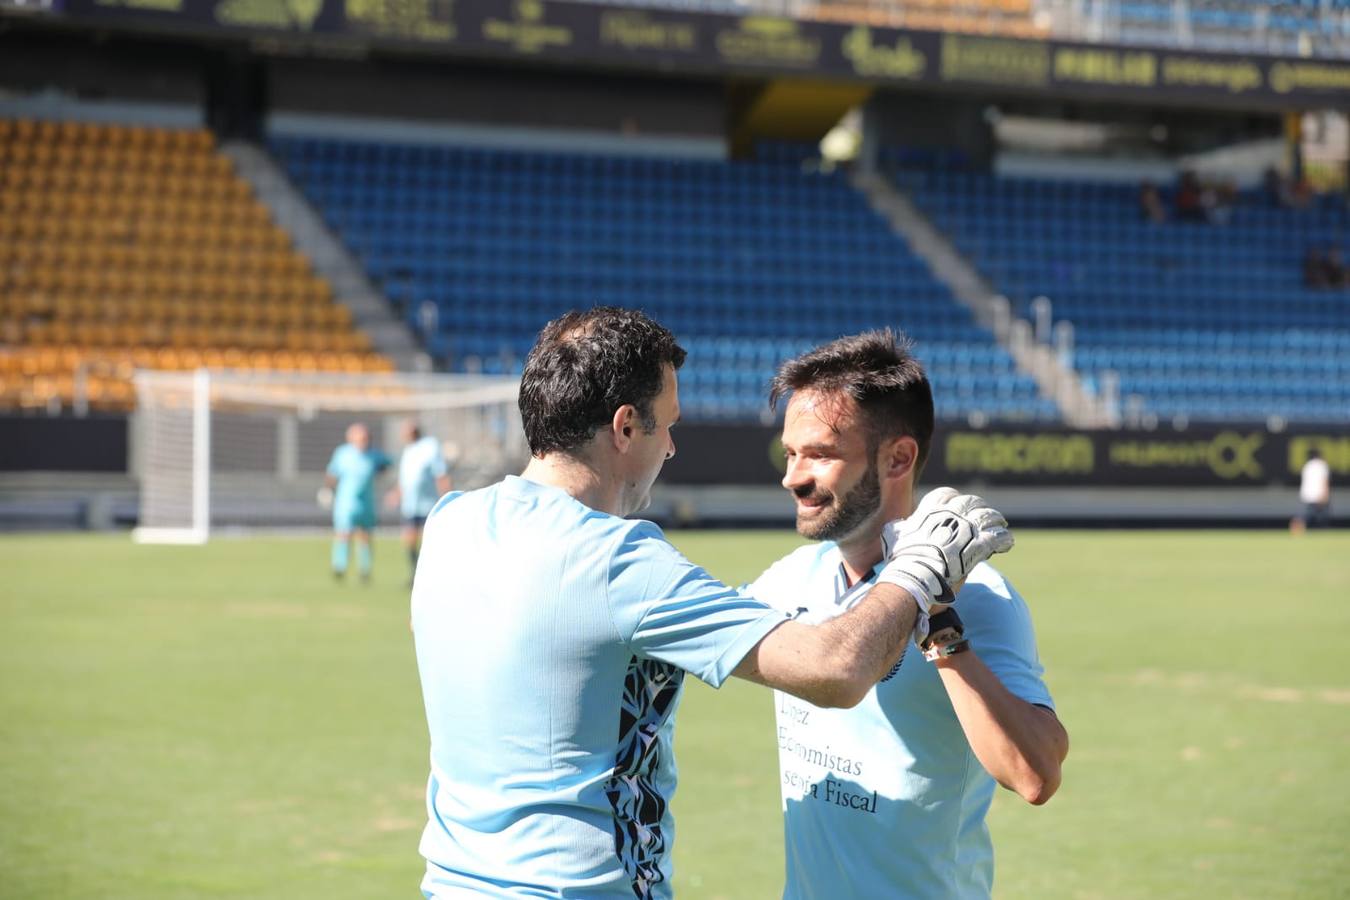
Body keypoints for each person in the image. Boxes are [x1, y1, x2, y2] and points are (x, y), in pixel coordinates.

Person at [409, 307, 1014, 899]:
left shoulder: (451, 522)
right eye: (666, 425)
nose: (670, 447)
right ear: (625, 428)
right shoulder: (619, 560)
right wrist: (919, 568)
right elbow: (836, 670)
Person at [747, 330, 1068, 899]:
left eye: (820, 454)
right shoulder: (790, 577)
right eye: (791, 453)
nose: (792, 477)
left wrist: (936, 619)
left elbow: (1034, 774)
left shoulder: (980, 597)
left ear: (898, 458)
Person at [324, 422, 391, 583]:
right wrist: (328, 490)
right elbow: (332, 474)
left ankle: (364, 570)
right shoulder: (343, 454)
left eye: (366, 438)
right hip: (346, 502)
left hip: (366, 502)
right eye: (360, 438)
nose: (363, 441)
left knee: (365, 535)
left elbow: (386, 464)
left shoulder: (374, 455)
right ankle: (339, 566)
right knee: (344, 534)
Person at [386, 420, 452, 585]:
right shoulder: (408, 450)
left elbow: (440, 473)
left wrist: (448, 497)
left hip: (429, 503)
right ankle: (414, 573)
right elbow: (406, 479)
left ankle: (431, 574)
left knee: (429, 540)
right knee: (409, 539)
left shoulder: (430, 447)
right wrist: (396, 493)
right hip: (411, 504)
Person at [1297, 448, 1332, 531]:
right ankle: (1321, 532)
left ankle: (1297, 529)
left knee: (1307, 516)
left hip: (1307, 495)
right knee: (1322, 518)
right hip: (1318, 494)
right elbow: (1324, 481)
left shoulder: (1307, 465)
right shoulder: (1322, 465)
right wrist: (1325, 494)